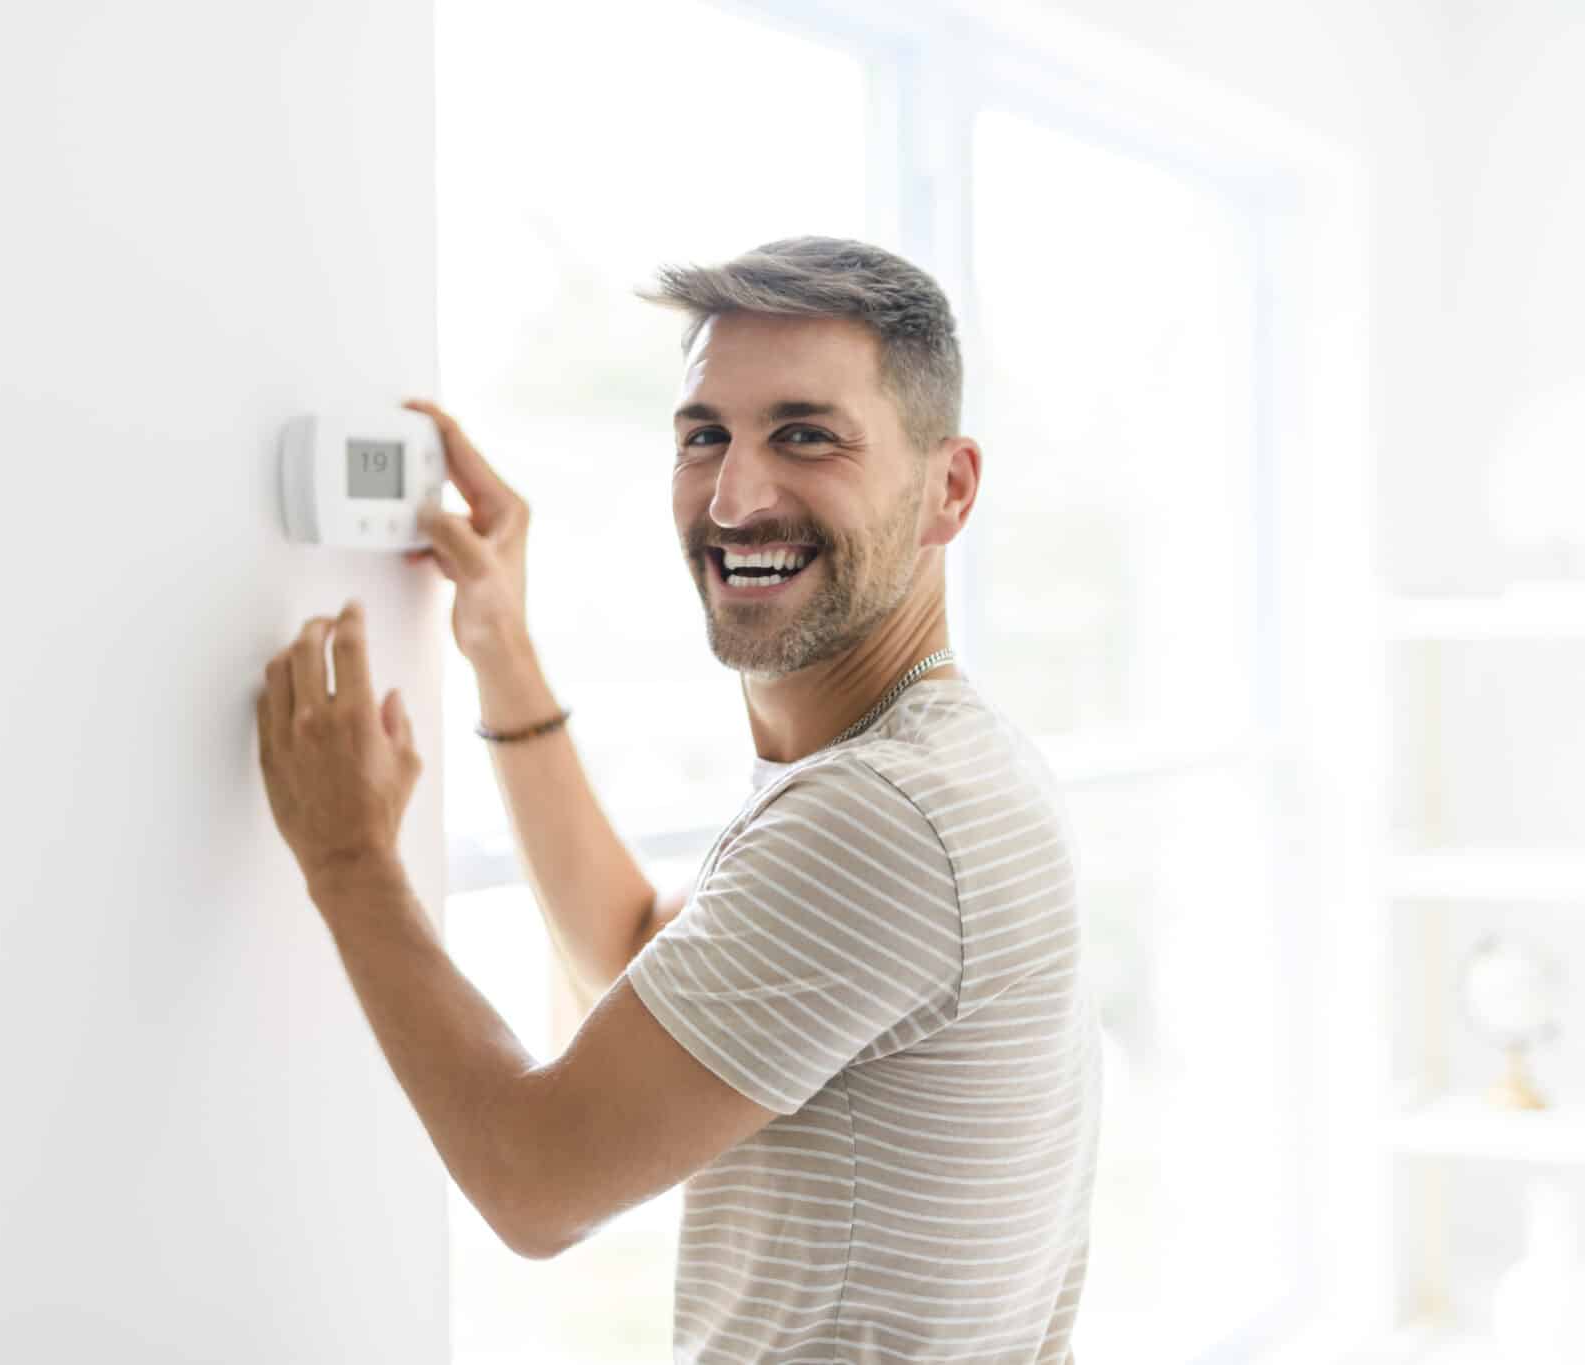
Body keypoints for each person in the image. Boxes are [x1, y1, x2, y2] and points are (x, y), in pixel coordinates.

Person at [401, 235, 1101, 1362]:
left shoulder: (880, 816)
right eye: (703, 436)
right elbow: (630, 953)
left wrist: (344, 856)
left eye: (804, 435)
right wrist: (500, 651)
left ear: (946, 490)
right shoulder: (935, 759)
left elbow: (532, 1184)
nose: (733, 496)